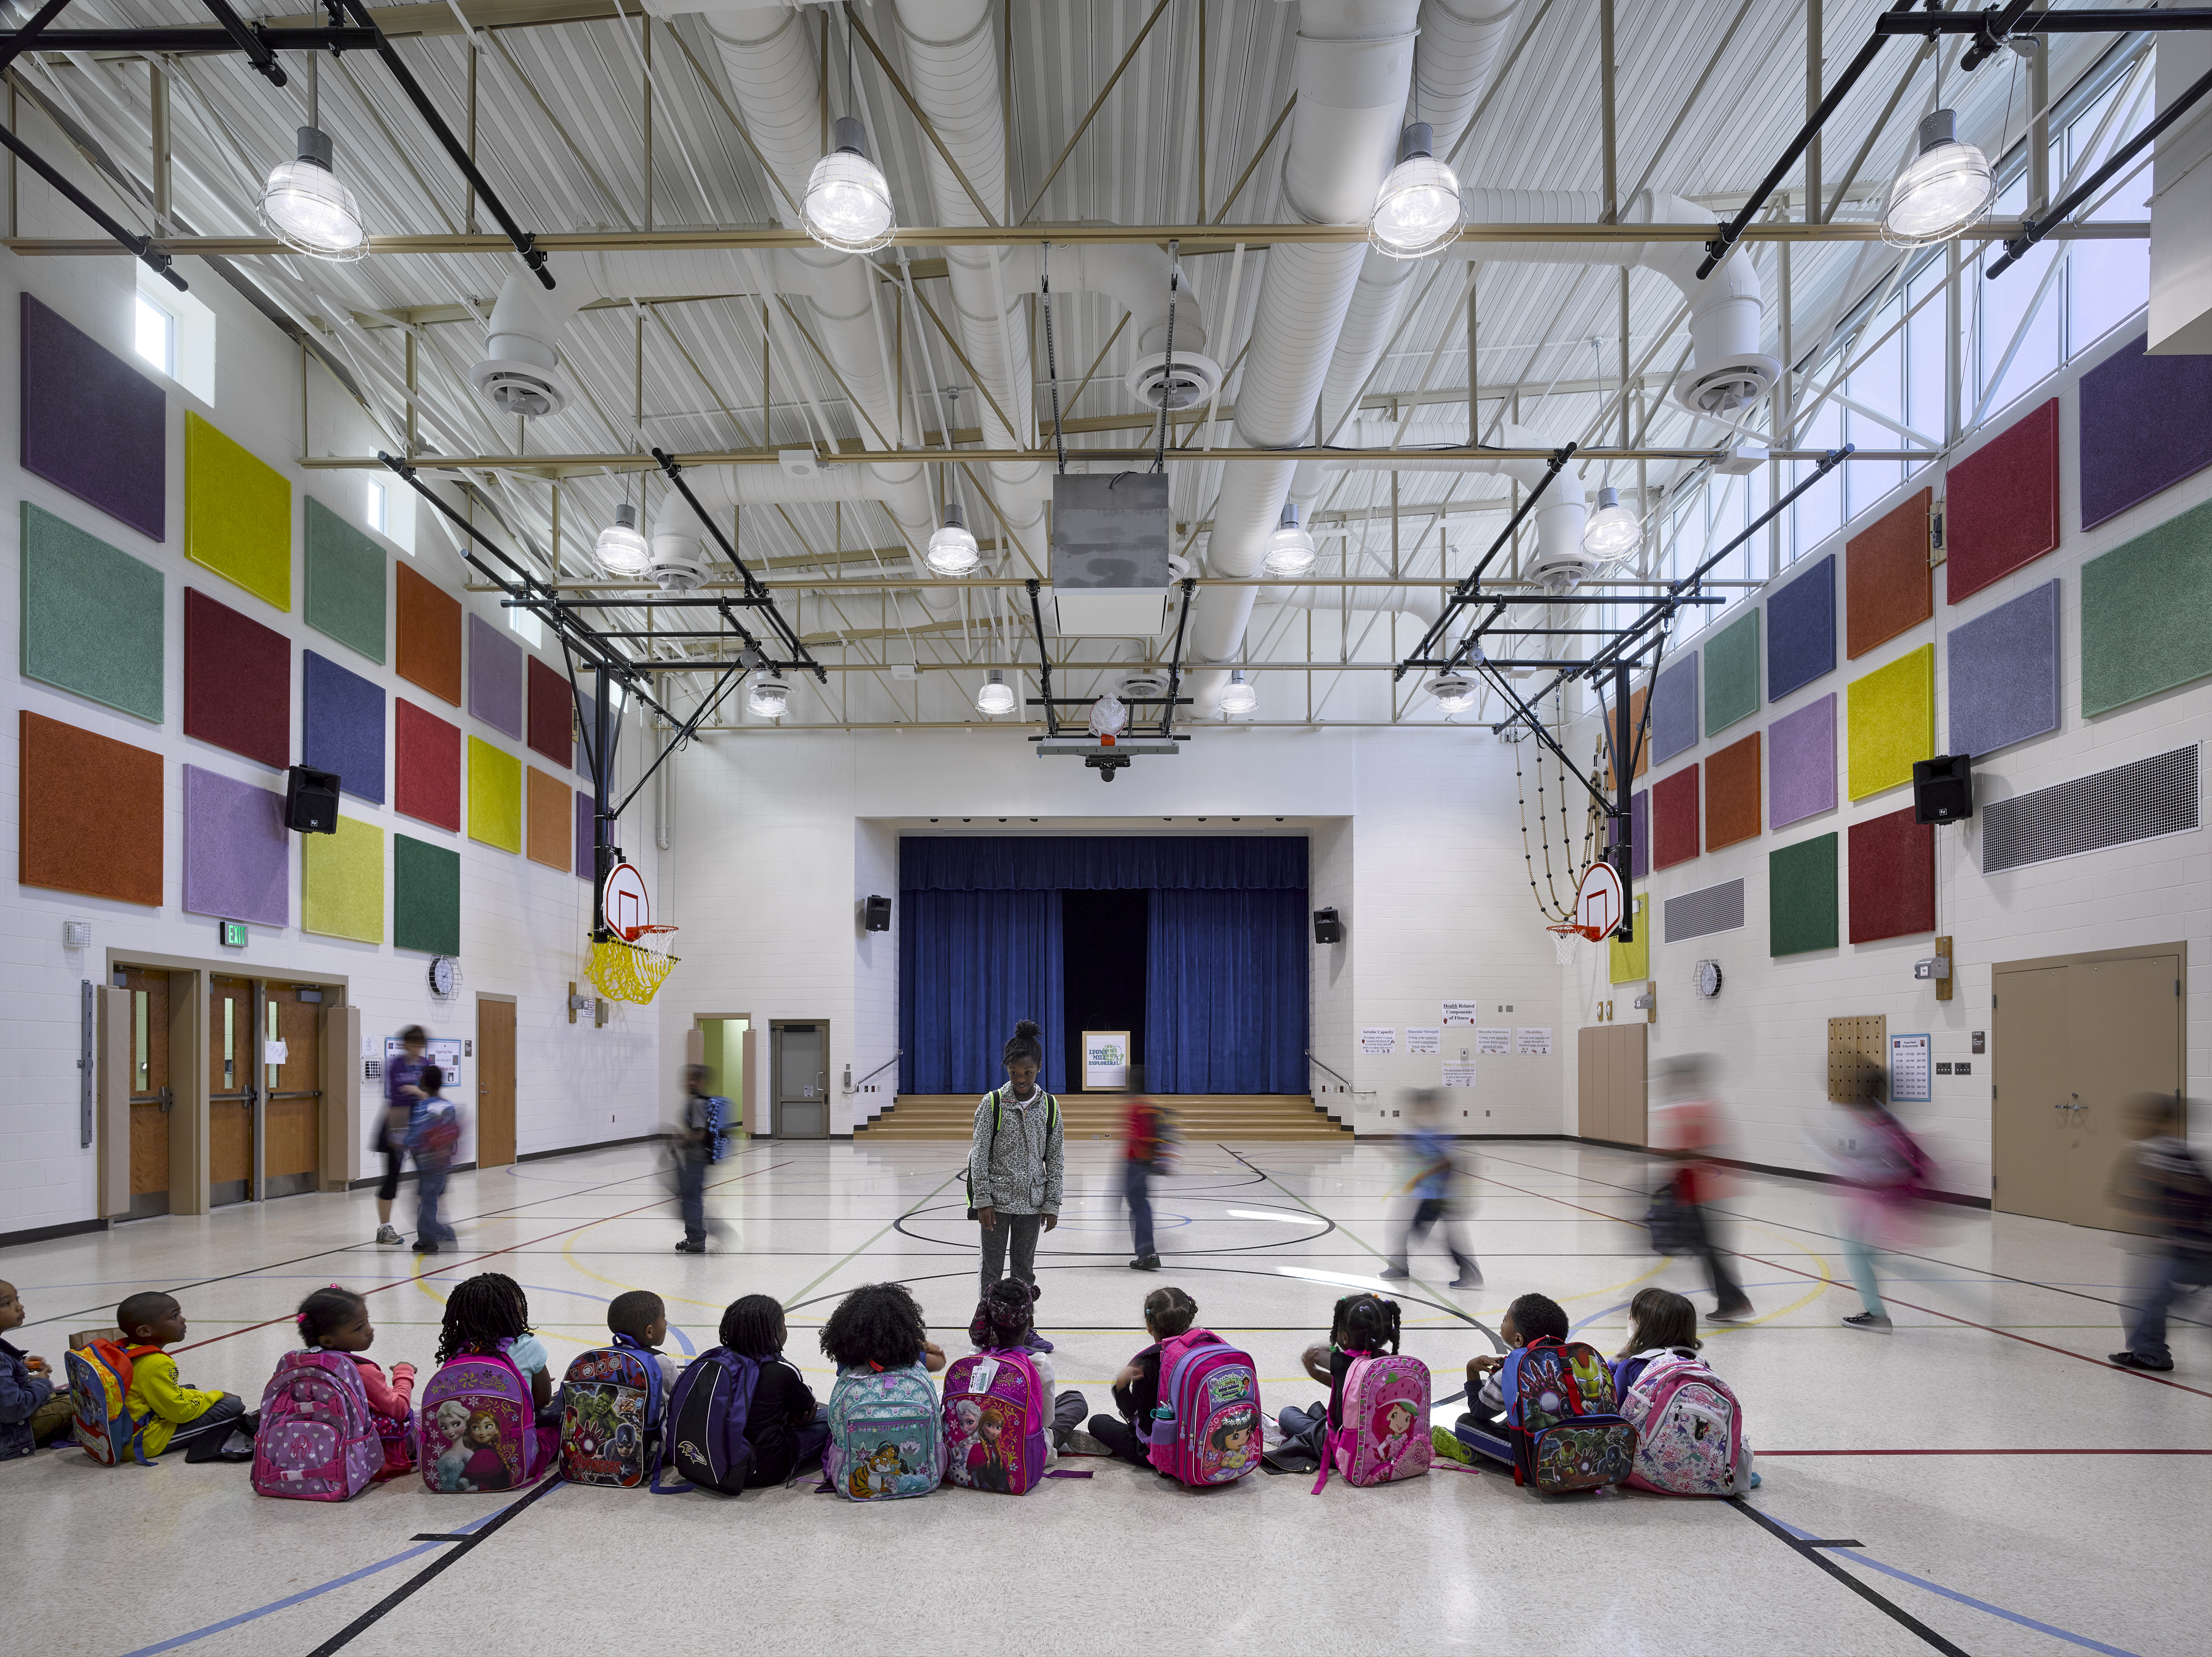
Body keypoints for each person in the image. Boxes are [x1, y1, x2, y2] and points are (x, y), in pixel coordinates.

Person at [968, 1020, 1064, 1325]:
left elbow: (1056, 1159)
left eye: (1028, 1072)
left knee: (1024, 1269)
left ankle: (1023, 1328)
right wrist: (982, 1200)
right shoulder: (993, 1104)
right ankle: (989, 1326)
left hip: (1032, 1205)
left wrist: (1052, 1203)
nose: (1020, 1079)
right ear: (1007, 1069)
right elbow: (979, 1155)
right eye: (1014, 1073)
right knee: (992, 1270)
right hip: (995, 1205)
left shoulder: (1050, 1106)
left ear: (1038, 1068)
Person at [2108, 1094, 2211, 1372]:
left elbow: (2190, 1200)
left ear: (2162, 1121)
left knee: (2142, 1301)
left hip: (2172, 1246)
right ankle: (2149, 1351)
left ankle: (2150, 1353)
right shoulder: (2168, 1152)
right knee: (2148, 1300)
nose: (2133, 1123)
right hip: (2168, 1244)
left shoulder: (2157, 1155)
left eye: (2142, 1116)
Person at [1651, 1055, 1754, 1322]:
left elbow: (1688, 1152)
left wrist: (1661, 1154)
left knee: (1705, 1248)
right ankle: (1732, 1299)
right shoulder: (1705, 1106)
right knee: (1704, 1247)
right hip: (1703, 1189)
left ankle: (1733, 1300)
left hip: (1698, 1191)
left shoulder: (1686, 1110)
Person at [1833, 1074, 1935, 1333]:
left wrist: (1854, 1169)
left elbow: (1885, 1167)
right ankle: (1876, 1313)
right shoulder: (1881, 1118)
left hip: (1880, 1201)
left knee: (1859, 1251)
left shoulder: (1879, 1123)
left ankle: (1877, 1316)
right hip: (1879, 1201)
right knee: (1863, 1251)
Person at [114, 1292, 258, 1462]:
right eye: (174, 1317)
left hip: (124, 1429)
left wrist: (203, 1397)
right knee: (233, 1406)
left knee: (190, 1389)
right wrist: (216, 1395)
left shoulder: (127, 1349)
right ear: (145, 1331)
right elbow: (181, 1413)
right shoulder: (156, 1363)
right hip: (141, 1441)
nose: (183, 1320)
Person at [1433, 1290, 1570, 1467]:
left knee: (1465, 1424)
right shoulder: (1572, 1359)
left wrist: (1472, 1370)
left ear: (1518, 1340)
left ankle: (1488, 1455)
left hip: (1540, 1464)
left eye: (1505, 1319)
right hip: (1580, 1446)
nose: (1502, 1321)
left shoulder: (1513, 1367)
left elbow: (1479, 1412)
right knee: (1513, 1419)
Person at [294, 1284, 418, 1480]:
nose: (370, 1330)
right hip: (377, 1457)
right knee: (427, 1417)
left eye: (367, 1321)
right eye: (359, 1327)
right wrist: (404, 1373)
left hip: (326, 1453)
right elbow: (400, 1408)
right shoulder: (363, 1373)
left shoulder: (303, 1367)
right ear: (327, 1341)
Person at [1277, 1293, 1399, 1466]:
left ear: (1345, 1337)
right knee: (1318, 1416)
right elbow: (1345, 1387)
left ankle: (1310, 1433)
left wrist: (1315, 1366)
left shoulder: (1342, 1362)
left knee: (1287, 1414)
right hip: (1375, 1442)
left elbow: (1315, 1353)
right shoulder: (1384, 1361)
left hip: (1343, 1449)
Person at [719, 1294, 830, 1486]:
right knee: (832, 1415)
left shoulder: (720, 1361)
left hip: (719, 1457)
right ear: (775, 1332)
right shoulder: (781, 1370)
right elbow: (808, 1409)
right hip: (765, 1467)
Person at [968, 1278, 1087, 1454]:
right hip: (1022, 1455)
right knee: (1075, 1400)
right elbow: (1046, 1421)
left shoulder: (974, 1355)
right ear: (1030, 1322)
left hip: (976, 1445)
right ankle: (1056, 1442)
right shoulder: (1038, 1363)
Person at [1088, 1284, 1197, 1467]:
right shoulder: (1200, 1351)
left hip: (1156, 1453)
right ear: (1189, 1320)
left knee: (1097, 1422)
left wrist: (1121, 1385)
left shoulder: (1148, 1364)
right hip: (1196, 1443)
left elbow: (1132, 1412)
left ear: (1149, 1326)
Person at [1381, 1091, 1481, 1289]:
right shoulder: (1420, 1133)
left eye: (1420, 1108)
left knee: (1409, 1231)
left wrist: (1422, 1175)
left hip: (1438, 1196)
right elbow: (1409, 1156)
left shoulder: (1442, 1134)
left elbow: (1449, 1162)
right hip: (1429, 1196)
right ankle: (1400, 1268)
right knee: (1408, 1231)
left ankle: (1470, 1275)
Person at [436, 1273, 556, 1421]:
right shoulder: (526, 1346)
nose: (520, 1306)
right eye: (516, 1302)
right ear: (507, 1312)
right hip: (515, 1440)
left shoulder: (457, 1348)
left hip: (461, 1439)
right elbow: (542, 1401)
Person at [1, 1279, 71, 1458]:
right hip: (7, 1436)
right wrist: (41, 1383)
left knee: (66, 1394)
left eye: (17, 1299)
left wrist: (20, 1366)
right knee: (77, 1403)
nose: (20, 1306)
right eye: (7, 1304)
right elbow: (14, 1409)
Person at [373, 1027, 429, 1247]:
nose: (416, 1049)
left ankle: (427, 1223)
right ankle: (384, 1228)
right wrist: (397, 1135)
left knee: (427, 1177)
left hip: (419, 1125)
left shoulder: (425, 1065)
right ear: (405, 1044)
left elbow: (429, 1095)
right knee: (391, 1178)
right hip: (396, 1124)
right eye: (413, 1044)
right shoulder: (396, 1064)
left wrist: (416, 1092)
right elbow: (397, 1097)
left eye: (420, 1045)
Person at [408, 1064, 462, 1256]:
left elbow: (414, 1135)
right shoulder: (448, 1107)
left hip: (425, 1163)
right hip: (442, 1164)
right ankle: (426, 1238)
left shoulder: (421, 1108)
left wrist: (401, 1142)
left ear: (423, 1082)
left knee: (426, 1203)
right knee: (427, 1202)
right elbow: (454, 1135)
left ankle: (440, 1234)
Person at [607, 1290, 680, 1418]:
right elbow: (682, 1391)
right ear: (649, 1332)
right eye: (663, 1318)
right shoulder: (660, 1362)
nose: (666, 1323)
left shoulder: (606, 1357)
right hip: (653, 1437)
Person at [670, 1064, 716, 1254]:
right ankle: (694, 1237)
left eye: (693, 1079)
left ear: (701, 1082)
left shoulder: (697, 1103)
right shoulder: (698, 1101)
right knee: (689, 1197)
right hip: (696, 1159)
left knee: (690, 1199)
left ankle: (697, 1239)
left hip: (695, 1159)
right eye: (687, 1079)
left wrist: (680, 1140)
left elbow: (698, 1133)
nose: (689, 1083)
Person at [1123, 1094, 1170, 1271]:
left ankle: (1148, 1255)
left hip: (1137, 1163)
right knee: (1140, 1207)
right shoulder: (1148, 1107)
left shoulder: (1138, 1108)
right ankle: (1147, 1254)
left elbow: (1139, 1139)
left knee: (1140, 1208)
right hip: (1143, 1163)